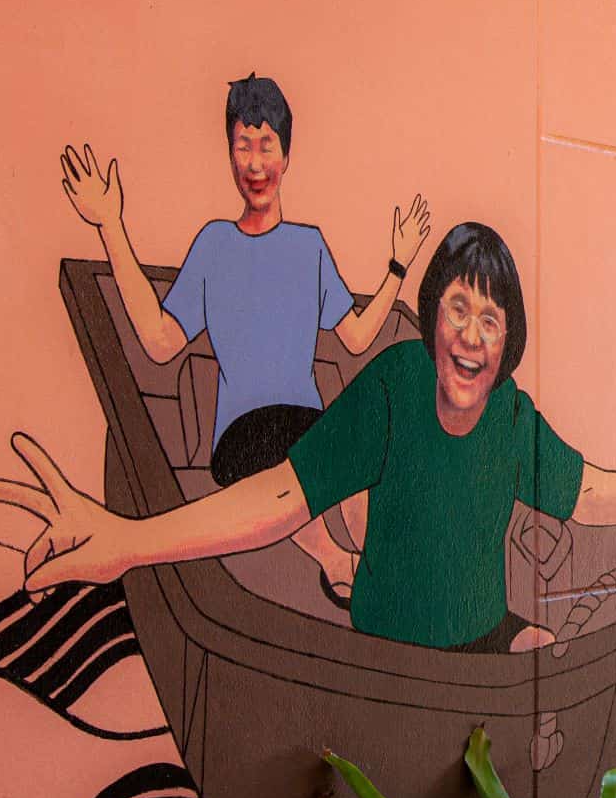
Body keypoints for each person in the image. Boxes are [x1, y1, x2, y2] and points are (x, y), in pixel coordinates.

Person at [0, 222, 616, 653]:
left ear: (507, 340)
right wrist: (129, 542)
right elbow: (280, 496)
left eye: (490, 321)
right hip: (389, 644)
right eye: (458, 309)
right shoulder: (395, 384)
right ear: (432, 316)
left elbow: (588, 494)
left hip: (483, 633)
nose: (470, 334)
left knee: (542, 657)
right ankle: (343, 571)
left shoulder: (511, 418)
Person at [59, 73, 430, 607]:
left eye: (266, 145)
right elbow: (161, 341)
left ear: (287, 155)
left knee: (359, 455)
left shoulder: (309, 246)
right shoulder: (214, 245)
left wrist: (397, 265)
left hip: (311, 425)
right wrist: (110, 225)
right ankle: (336, 560)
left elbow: (354, 339)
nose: (255, 164)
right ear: (229, 155)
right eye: (243, 146)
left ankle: (378, 568)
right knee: (302, 463)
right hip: (245, 434)